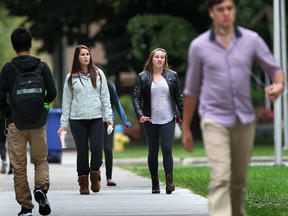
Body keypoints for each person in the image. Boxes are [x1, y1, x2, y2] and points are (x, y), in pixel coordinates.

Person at [182, 1, 285, 215]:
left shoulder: (251, 39)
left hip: (244, 119)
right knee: (221, 177)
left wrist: (279, 85)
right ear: (212, 12)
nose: (226, 13)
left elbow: (274, 69)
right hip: (214, 118)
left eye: (230, 8)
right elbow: (191, 90)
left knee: (238, 182)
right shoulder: (199, 46)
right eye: (221, 9)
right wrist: (186, 128)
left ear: (234, 10)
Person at [0, 27, 57, 216]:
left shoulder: (8, 69)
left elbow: (1, 97)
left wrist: (10, 116)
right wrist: (44, 109)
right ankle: (40, 188)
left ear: (14, 46)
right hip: (38, 123)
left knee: (19, 166)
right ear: (30, 45)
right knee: (40, 160)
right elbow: (53, 93)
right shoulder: (42, 67)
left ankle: (26, 208)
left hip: (15, 124)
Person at [57, 45, 113, 195]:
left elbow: (105, 97)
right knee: (82, 152)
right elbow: (66, 102)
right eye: (82, 54)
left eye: (87, 54)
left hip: (96, 118)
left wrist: (109, 118)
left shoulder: (99, 74)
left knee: (96, 150)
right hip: (77, 120)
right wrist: (63, 125)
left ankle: (95, 175)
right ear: (77, 57)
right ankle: (83, 183)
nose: (86, 57)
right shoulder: (71, 77)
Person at [132, 48, 183, 194]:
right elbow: (136, 97)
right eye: (157, 57)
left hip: (168, 118)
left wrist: (183, 117)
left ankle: (169, 182)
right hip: (150, 119)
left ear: (164, 60)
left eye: (162, 57)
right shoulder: (143, 77)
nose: (159, 59)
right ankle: (154, 181)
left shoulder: (172, 76)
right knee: (153, 151)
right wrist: (140, 114)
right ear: (151, 59)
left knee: (167, 149)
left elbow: (179, 97)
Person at [104, 82, 131, 186]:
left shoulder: (110, 87)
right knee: (95, 149)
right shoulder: (90, 86)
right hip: (94, 121)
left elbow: (116, 103)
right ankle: (95, 172)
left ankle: (109, 178)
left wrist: (125, 120)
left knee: (107, 148)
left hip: (108, 122)